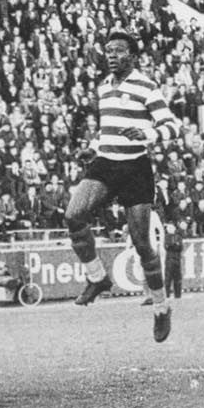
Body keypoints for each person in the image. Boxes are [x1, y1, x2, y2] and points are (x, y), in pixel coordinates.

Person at [65, 29, 180, 343]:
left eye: (117, 51)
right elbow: (108, 128)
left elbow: (173, 125)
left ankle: (160, 307)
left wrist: (148, 135)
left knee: (143, 245)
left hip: (135, 168)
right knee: (74, 215)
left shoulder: (145, 85)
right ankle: (98, 278)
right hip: (105, 161)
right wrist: (93, 146)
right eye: (108, 51)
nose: (111, 56)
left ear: (132, 55)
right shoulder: (103, 86)